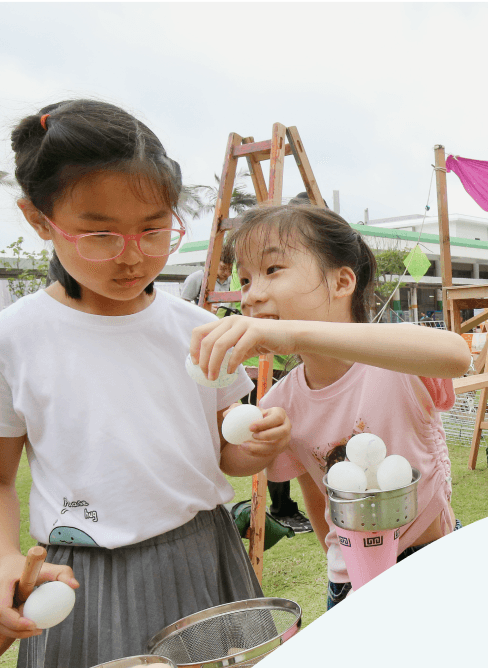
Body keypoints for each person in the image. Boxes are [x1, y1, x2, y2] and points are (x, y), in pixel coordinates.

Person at [0, 99, 290, 668]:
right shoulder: (8, 340)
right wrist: (4, 562)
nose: (132, 253)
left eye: (153, 228)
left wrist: (254, 446)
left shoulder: (197, 327)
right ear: (39, 219)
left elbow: (227, 459)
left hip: (204, 556)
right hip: (81, 582)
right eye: (100, 232)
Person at [190, 205, 471, 610]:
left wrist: (294, 332)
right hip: (350, 580)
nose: (251, 294)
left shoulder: (395, 362)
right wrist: (262, 448)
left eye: (272, 270)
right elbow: (316, 494)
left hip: (433, 560)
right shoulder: (282, 402)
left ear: (342, 282)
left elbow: (456, 356)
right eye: (246, 279)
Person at [181, 242, 233, 307]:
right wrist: (205, 309)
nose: (227, 273)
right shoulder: (197, 277)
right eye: (223, 268)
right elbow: (183, 303)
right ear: (213, 262)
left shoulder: (233, 281)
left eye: (230, 270)